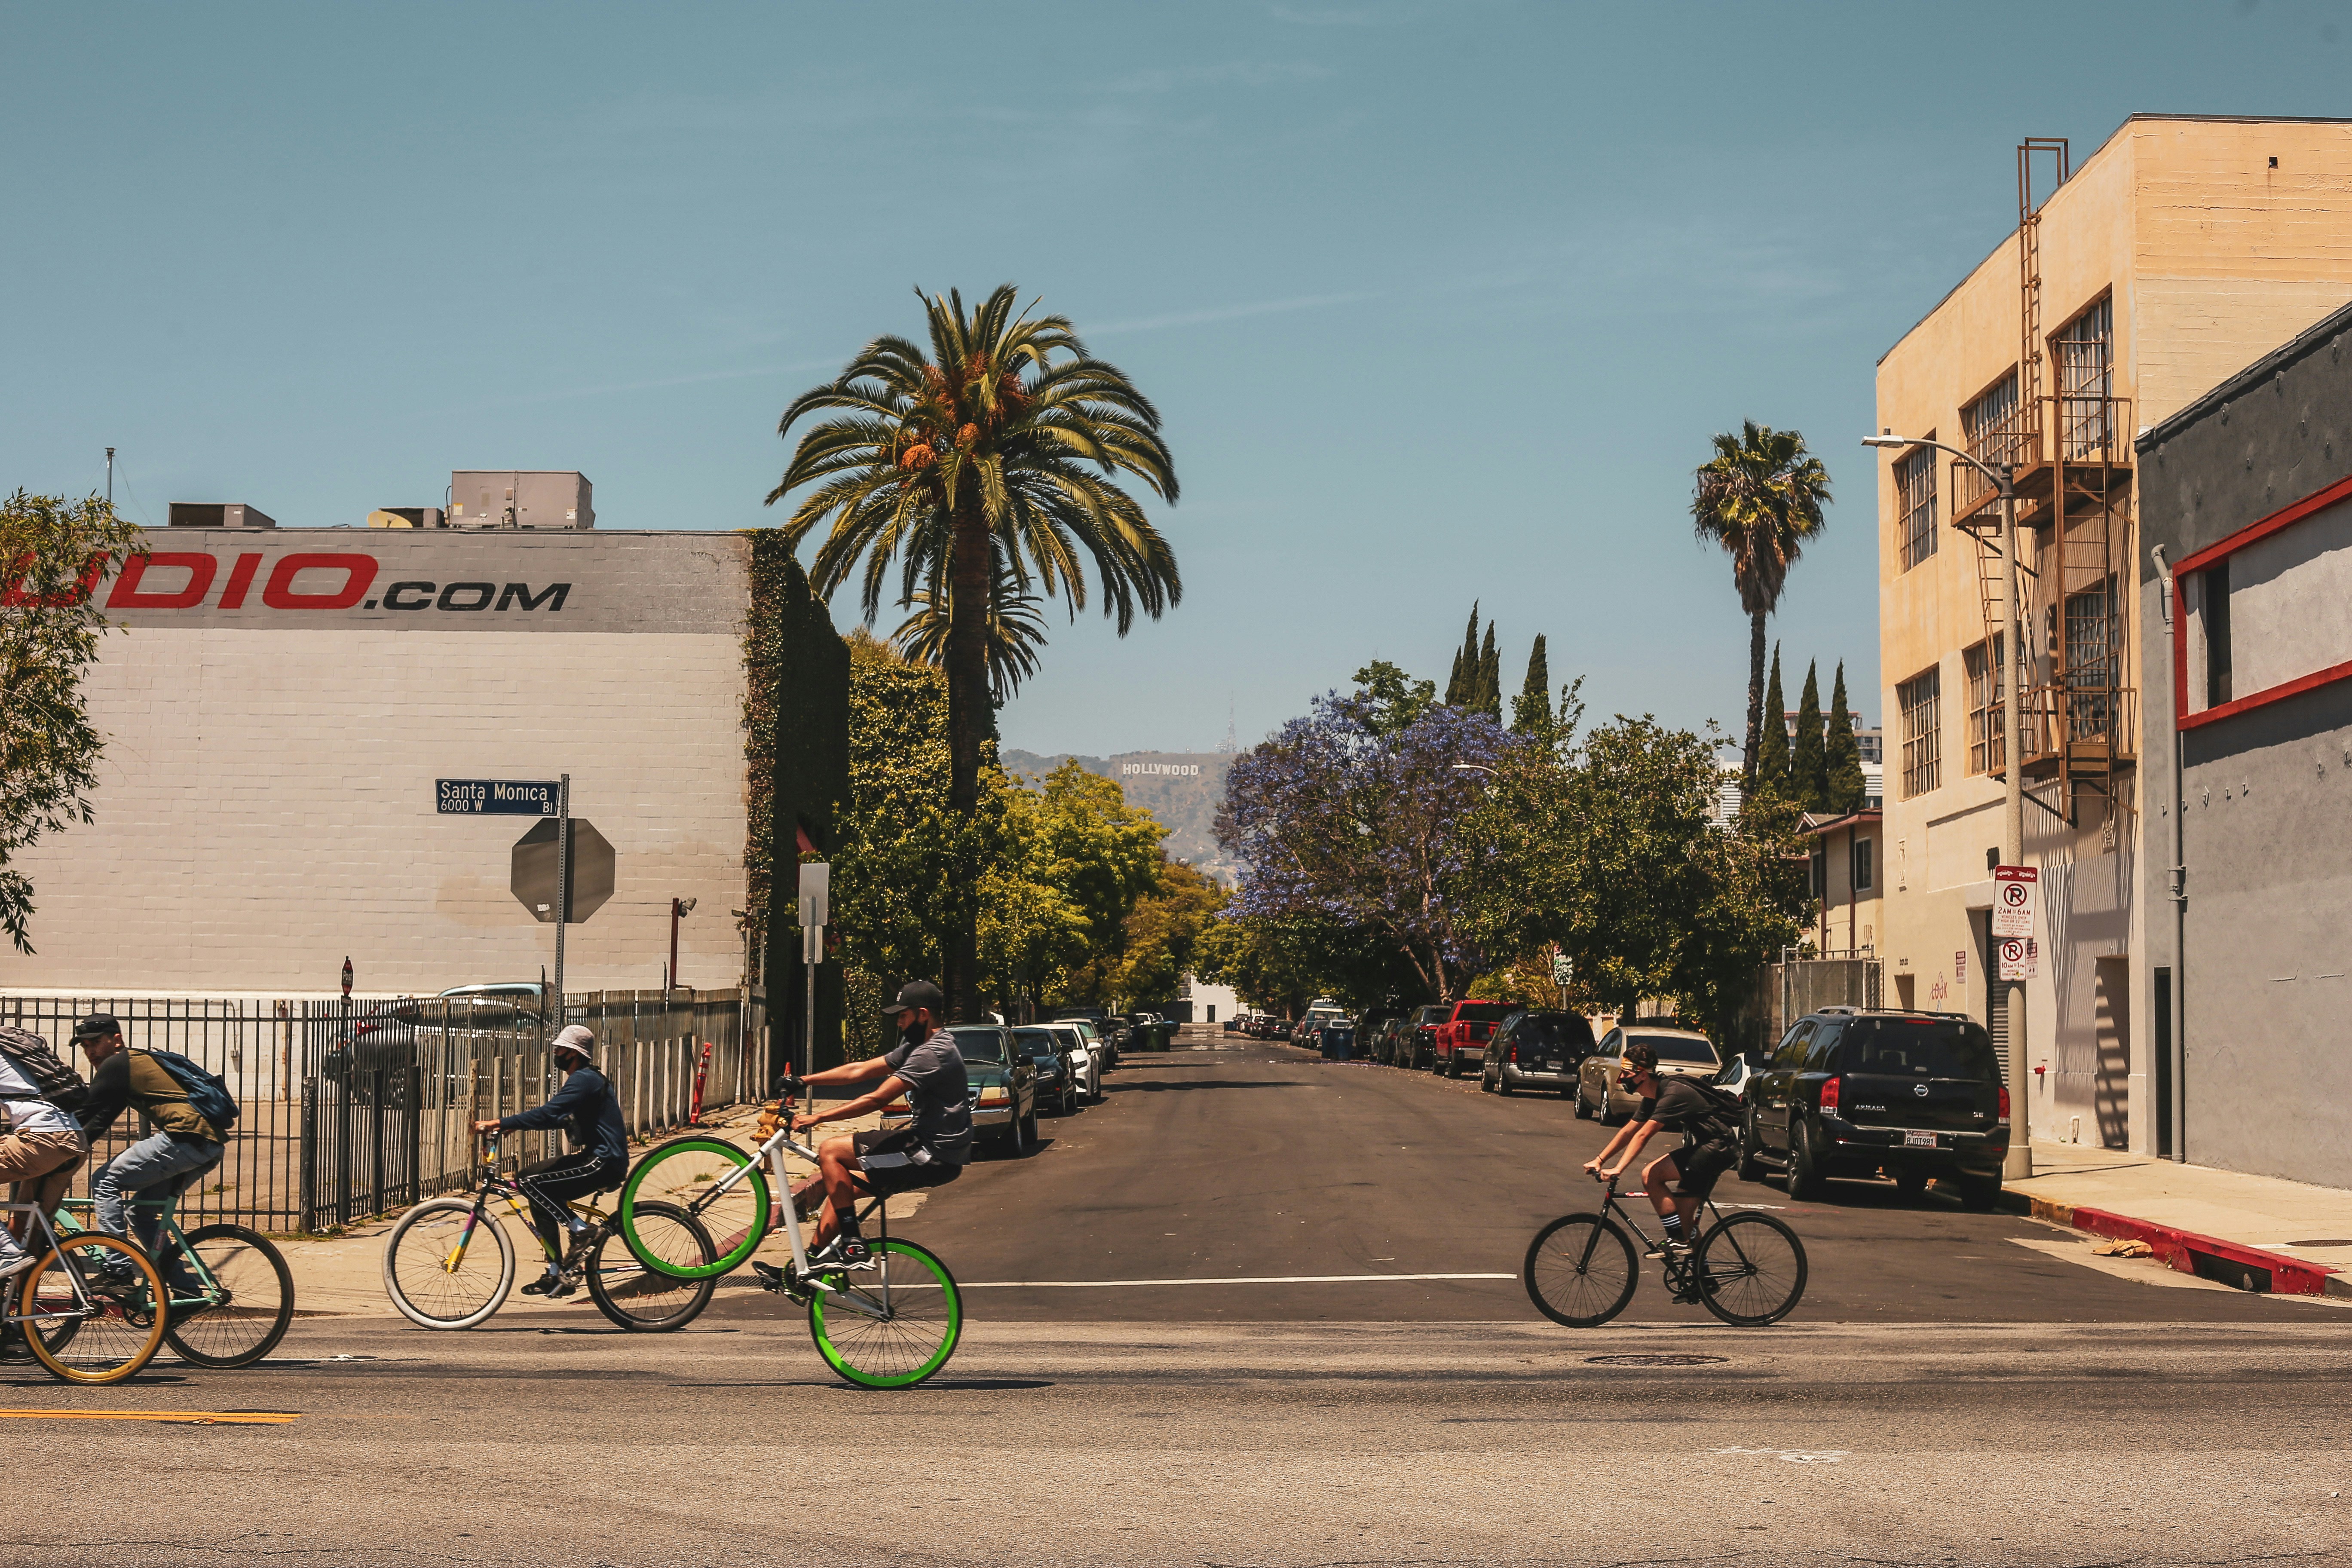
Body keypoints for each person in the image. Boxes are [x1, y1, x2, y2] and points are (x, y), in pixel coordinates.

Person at [751, 979, 968, 1286]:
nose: (899, 1023)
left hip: (930, 1154)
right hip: (928, 1148)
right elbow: (860, 1070)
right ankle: (807, 1272)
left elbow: (877, 1099)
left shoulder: (932, 1053)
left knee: (831, 1151)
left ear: (923, 1015)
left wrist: (818, 1117)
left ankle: (854, 1247)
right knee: (840, 1189)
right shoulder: (918, 1046)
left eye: (903, 1016)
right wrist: (803, 1080)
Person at [472, 1025, 627, 1298]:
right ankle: (556, 1274)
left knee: (528, 1180)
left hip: (602, 1161)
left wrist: (501, 1121)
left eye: (560, 1049)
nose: (555, 1053)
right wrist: (515, 1126)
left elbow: (549, 1113)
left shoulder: (584, 1079)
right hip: (597, 1158)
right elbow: (559, 1118)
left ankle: (582, 1231)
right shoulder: (583, 1079)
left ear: (575, 1053)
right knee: (538, 1194)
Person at [76, 1014, 225, 1276]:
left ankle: (117, 1270)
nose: (91, 1051)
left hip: (185, 1137)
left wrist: (50, 1145)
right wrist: (77, 1146)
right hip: (207, 1144)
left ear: (117, 1040)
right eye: (85, 1046)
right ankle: (185, 1292)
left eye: (96, 1043)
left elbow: (82, 1114)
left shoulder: (116, 1066)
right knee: (139, 1213)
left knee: (104, 1182)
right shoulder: (129, 1065)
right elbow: (100, 1120)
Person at [1584, 1039, 1740, 1268]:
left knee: (1651, 1175)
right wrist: (1600, 1160)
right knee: (1686, 1223)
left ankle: (1676, 1240)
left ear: (1643, 1074)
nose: (1622, 1079)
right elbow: (1629, 1131)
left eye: (1626, 1073)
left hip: (1718, 1148)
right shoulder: (1653, 1095)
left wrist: (1618, 1169)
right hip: (1710, 1148)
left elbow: (1643, 1136)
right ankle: (1703, 1278)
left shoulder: (1673, 1094)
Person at [0, 1027, 90, 1284]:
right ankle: (21, 1317)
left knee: (14, 1244)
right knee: (27, 1234)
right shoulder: (13, 1046)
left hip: (43, 1140)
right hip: (73, 1140)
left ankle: (5, 1252)